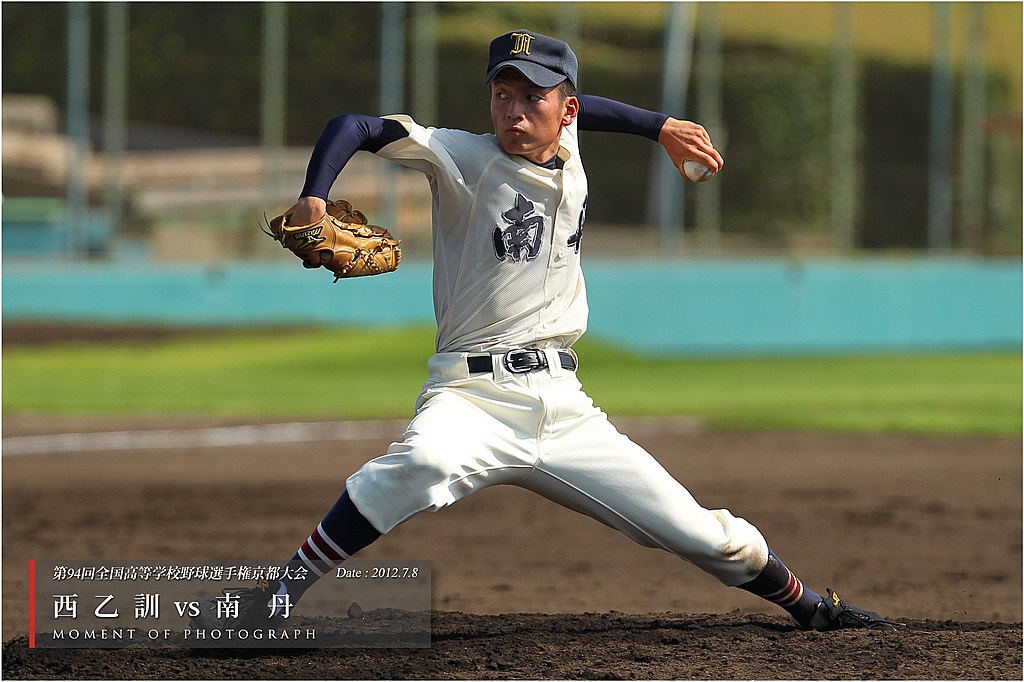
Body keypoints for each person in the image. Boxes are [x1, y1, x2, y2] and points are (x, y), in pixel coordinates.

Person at [193, 28, 895, 633]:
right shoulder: (460, 157)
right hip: (470, 398)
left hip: (565, 410)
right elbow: (356, 125)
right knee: (422, 465)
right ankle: (271, 602)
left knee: (703, 537)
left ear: (567, 110)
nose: (516, 110)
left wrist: (658, 126)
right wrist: (315, 193)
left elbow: (604, 116)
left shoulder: (571, 148)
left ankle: (812, 607)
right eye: (504, 93)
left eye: (534, 96)